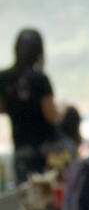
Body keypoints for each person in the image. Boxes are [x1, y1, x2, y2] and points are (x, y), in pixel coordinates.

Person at [0, 29, 65, 184]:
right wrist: (63, 110)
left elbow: (1, 109)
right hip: (46, 150)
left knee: (26, 196)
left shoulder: (4, 78)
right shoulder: (40, 78)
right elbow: (51, 115)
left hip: (21, 148)